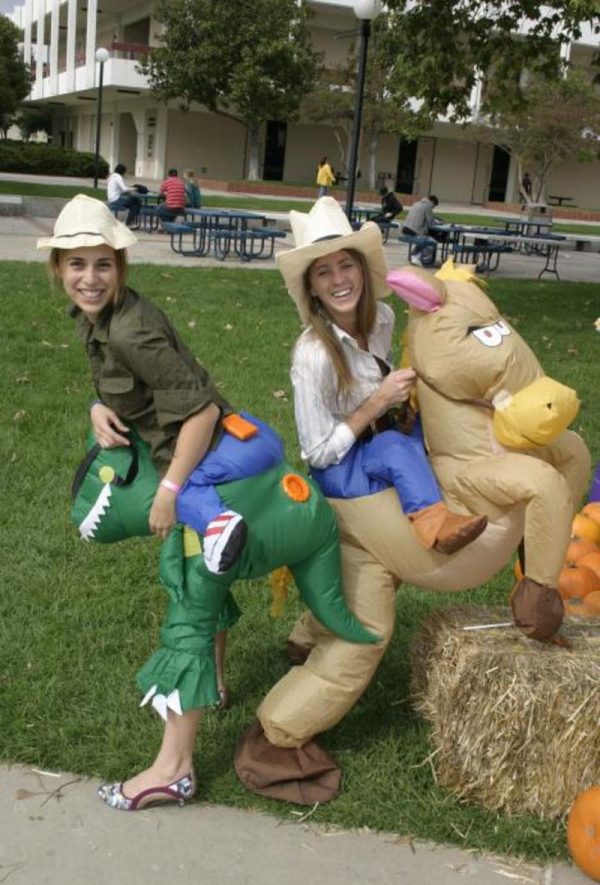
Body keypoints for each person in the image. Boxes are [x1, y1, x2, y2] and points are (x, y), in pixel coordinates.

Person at [37, 194, 270, 808]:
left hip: (205, 451)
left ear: (121, 266)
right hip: (178, 444)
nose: (90, 277)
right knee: (190, 572)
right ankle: (216, 681)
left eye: (103, 264)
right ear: (58, 268)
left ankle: (176, 767)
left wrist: (169, 490)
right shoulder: (97, 320)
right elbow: (127, 388)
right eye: (77, 264)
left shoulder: (133, 329)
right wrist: (97, 405)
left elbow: (201, 412)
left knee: (188, 583)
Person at [277, 197, 487, 556]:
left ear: (361, 269)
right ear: (312, 286)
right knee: (394, 448)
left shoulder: (383, 318)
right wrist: (377, 402)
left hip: (384, 435)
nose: (339, 280)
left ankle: (478, 483)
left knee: (435, 420)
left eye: (346, 265)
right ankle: (433, 524)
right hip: (341, 468)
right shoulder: (313, 355)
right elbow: (317, 453)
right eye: (323, 272)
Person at [402, 194, 442, 267]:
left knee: (424, 238)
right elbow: (430, 222)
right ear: (432, 202)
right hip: (414, 230)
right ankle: (424, 260)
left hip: (405, 229)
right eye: (434, 206)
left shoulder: (416, 203)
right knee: (432, 242)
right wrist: (440, 222)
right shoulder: (428, 206)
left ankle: (413, 255)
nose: (433, 208)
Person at [106, 163, 141, 228]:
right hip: (116, 199)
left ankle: (130, 220)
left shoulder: (111, 176)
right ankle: (129, 223)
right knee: (136, 202)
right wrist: (134, 189)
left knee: (132, 203)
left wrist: (129, 190)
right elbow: (124, 189)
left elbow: (119, 189)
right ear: (122, 171)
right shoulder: (118, 177)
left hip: (111, 198)